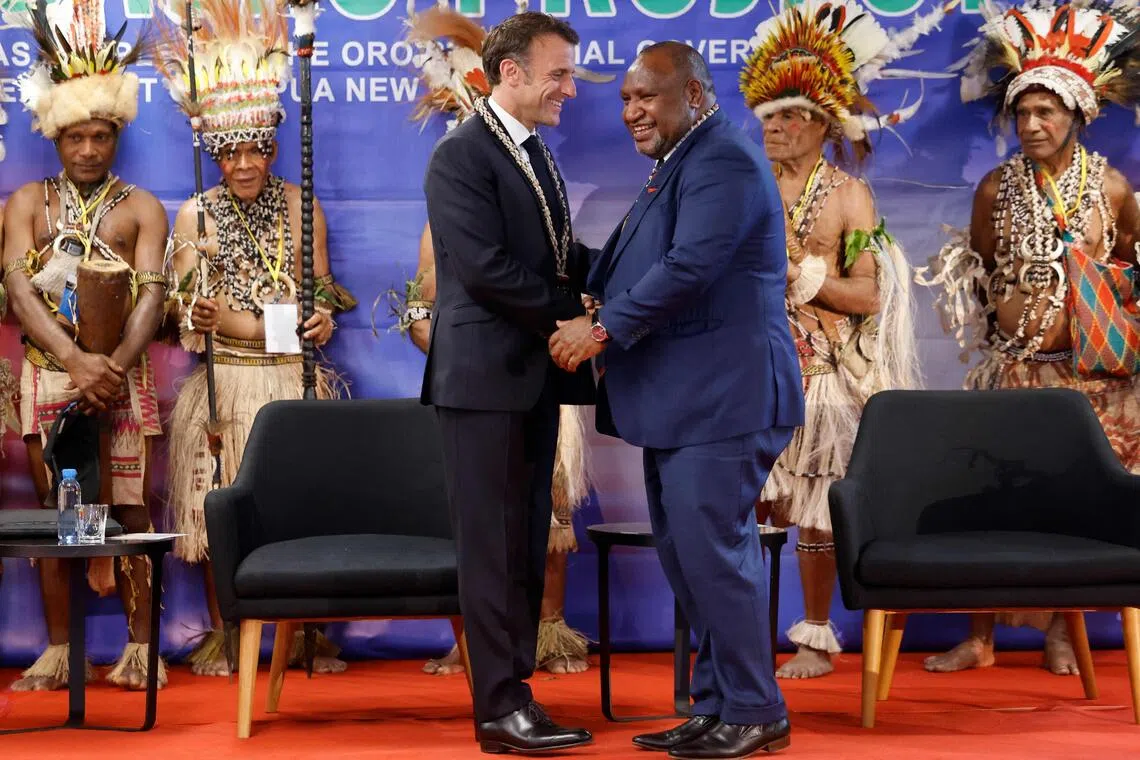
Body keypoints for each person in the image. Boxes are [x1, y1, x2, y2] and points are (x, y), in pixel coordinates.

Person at [550, 42, 804, 759]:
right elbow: (634, 262)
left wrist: (601, 329)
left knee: (715, 558)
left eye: (647, 97)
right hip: (688, 403)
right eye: (626, 99)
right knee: (692, 560)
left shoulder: (720, 158)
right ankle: (717, 704)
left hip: (727, 398)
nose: (632, 111)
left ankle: (756, 710)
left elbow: (690, 267)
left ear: (694, 94)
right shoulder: (683, 162)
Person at [915, 0, 1140, 674]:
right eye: (1022, 113)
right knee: (995, 499)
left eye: (1047, 112)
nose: (1033, 124)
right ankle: (980, 637)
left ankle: (1065, 633)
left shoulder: (1115, 189)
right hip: (1016, 374)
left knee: (1081, 505)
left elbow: (1130, 264)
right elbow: (983, 266)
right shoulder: (994, 187)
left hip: (1095, 381)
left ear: (1078, 115)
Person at [155, 0, 356, 677]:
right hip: (231, 380)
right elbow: (184, 315)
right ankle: (225, 631)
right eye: (230, 151)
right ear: (213, 152)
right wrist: (204, 319)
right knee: (220, 509)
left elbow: (324, 285)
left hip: (293, 377)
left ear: (273, 143)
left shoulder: (303, 205)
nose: (245, 164)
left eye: (258, 148)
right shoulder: (195, 213)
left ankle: (302, 636)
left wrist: (323, 316)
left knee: (299, 510)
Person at [739, 0, 937, 678]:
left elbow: (869, 296)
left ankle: (814, 636)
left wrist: (802, 278)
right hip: (746, 367)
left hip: (822, 372)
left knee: (816, 508)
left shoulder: (850, 198)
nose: (775, 126)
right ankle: (741, 639)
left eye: (790, 115)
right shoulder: (741, 186)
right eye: (768, 114)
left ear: (823, 124)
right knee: (749, 503)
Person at [400, 4, 592, 679]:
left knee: (524, 541)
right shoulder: (461, 154)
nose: (570, 87)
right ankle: (500, 704)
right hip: (483, 382)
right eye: (558, 74)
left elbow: (561, 255)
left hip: (530, 377)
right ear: (510, 72)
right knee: (490, 548)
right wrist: (575, 318)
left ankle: (519, 692)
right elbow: (486, 271)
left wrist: (628, 281)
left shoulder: (532, 148)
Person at [2, 0, 168, 690]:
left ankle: (141, 650)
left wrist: (112, 370)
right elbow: (16, 285)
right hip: (49, 375)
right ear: (56, 137)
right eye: (76, 138)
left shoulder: (142, 206)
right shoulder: (26, 204)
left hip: (123, 381)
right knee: (60, 514)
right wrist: (73, 361)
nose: (90, 150)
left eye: (101, 135)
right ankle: (61, 649)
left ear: (116, 133)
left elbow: (154, 295)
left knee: (130, 510)